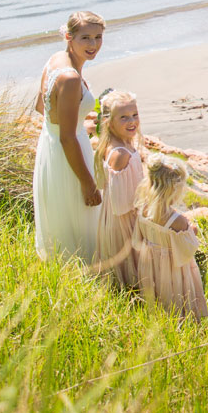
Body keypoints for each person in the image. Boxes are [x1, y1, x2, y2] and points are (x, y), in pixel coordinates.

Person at [32, 10, 105, 262]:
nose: (93, 45)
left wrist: (67, 125)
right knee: (81, 224)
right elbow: (67, 137)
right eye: (85, 38)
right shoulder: (71, 78)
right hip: (68, 155)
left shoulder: (55, 59)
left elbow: (40, 107)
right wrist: (88, 183)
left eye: (98, 37)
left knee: (62, 220)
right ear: (69, 36)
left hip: (50, 147)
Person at [134, 155, 208, 319]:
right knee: (174, 293)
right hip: (172, 266)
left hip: (150, 261)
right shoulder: (177, 221)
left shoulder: (143, 209)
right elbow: (189, 246)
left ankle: (156, 315)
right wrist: (192, 229)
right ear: (173, 190)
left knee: (157, 291)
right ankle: (181, 318)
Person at [92, 88, 143, 288]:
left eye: (134, 115)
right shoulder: (120, 154)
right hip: (124, 221)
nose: (131, 121)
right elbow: (121, 203)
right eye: (123, 117)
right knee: (128, 270)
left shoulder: (121, 143)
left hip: (123, 216)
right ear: (108, 121)